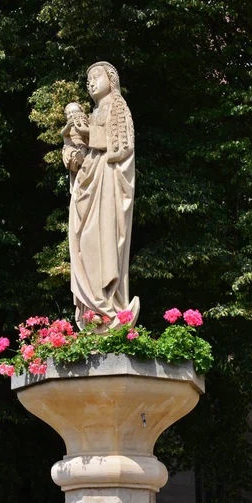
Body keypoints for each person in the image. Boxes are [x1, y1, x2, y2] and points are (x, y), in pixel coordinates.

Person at [67, 61, 140, 332]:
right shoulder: (96, 111)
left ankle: (108, 306)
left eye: (96, 77)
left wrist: (89, 133)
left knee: (104, 239)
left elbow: (121, 146)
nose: (91, 83)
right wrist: (74, 151)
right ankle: (93, 308)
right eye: (88, 80)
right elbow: (84, 150)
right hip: (90, 182)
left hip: (108, 183)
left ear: (111, 79)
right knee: (84, 241)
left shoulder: (118, 106)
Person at [61, 102, 89, 191]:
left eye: (74, 112)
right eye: (69, 113)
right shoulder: (67, 127)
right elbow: (63, 133)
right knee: (70, 152)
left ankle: (81, 159)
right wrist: (68, 126)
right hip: (70, 147)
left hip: (81, 146)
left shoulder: (83, 123)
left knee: (83, 148)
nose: (72, 115)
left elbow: (88, 136)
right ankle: (77, 158)